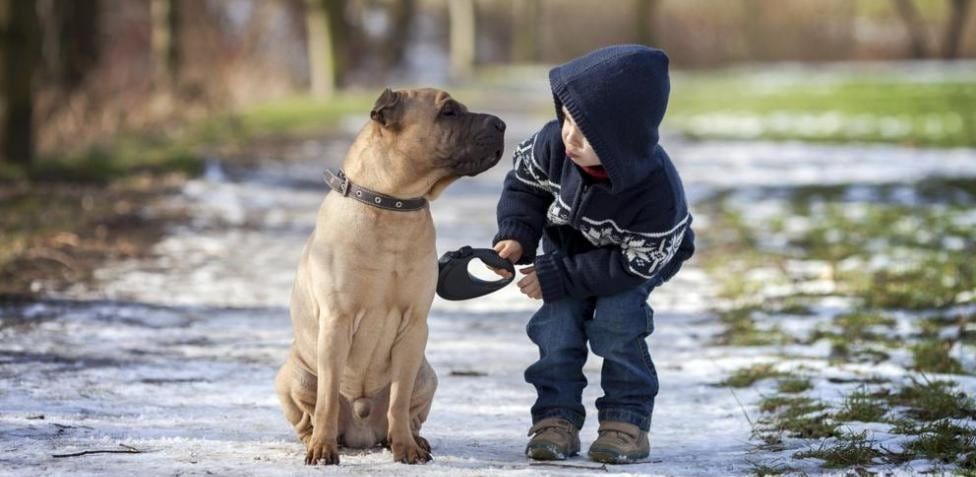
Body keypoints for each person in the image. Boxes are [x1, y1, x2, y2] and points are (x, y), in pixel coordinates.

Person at [491, 44, 695, 464]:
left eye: (586, 131)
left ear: (623, 139)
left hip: (636, 258)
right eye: (566, 118)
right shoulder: (552, 145)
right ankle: (555, 419)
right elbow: (525, 188)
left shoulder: (657, 193)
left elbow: (635, 263)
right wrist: (518, 233)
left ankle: (626, 422)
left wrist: (560, 276)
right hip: (571, 245)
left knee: (618, 322)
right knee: (557, 324)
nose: (569, 135)